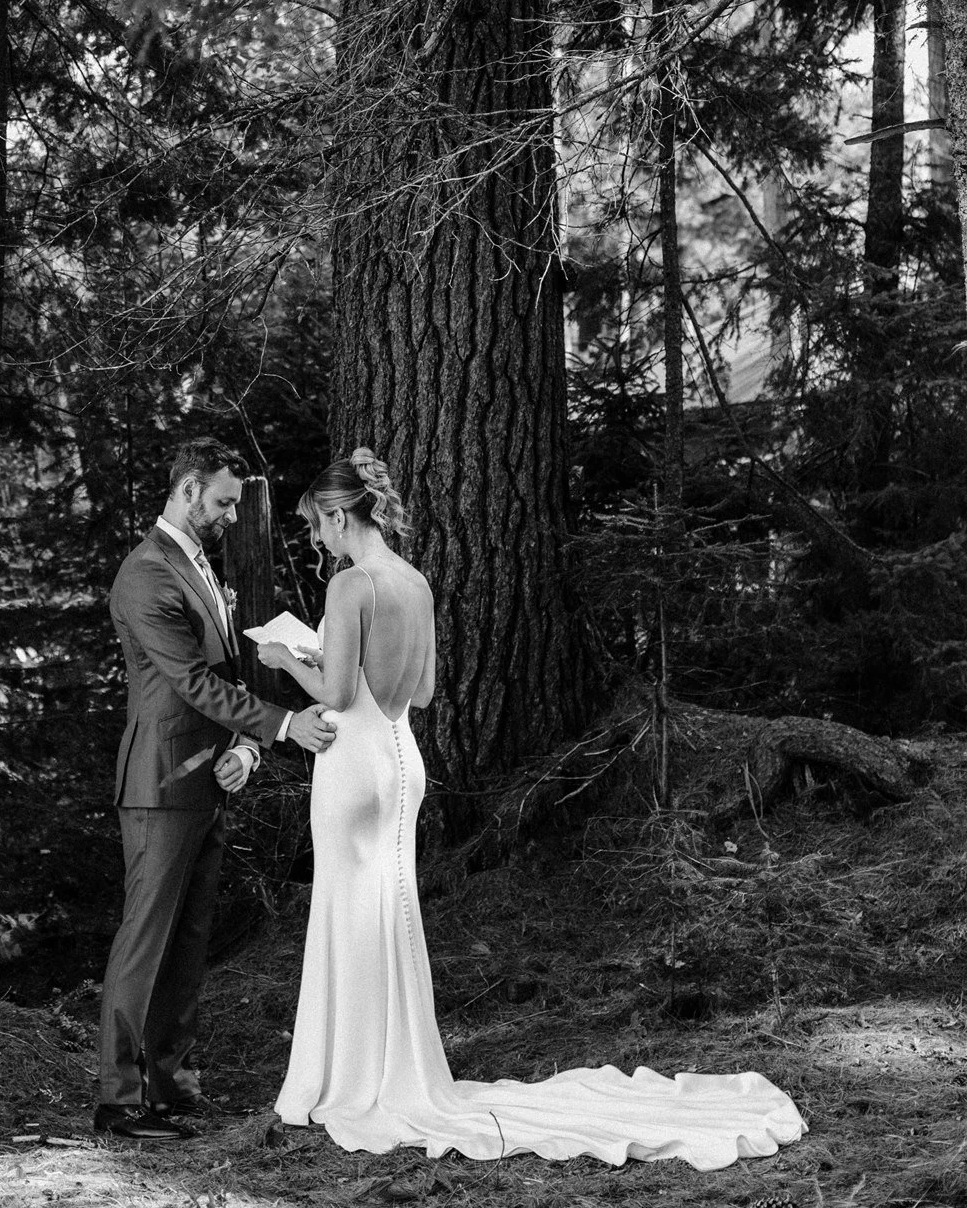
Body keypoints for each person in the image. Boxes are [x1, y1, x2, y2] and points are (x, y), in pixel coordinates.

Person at [259, 447, 807, 1170]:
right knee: (387, 909)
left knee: (346, 908)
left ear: (337, 514)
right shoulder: (414, 583)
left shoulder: (351, 585)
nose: (315, 540)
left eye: (315, 527)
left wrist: (282, 657)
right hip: (400, 755)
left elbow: (331, 695)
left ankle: (344, 1078)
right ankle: (388, 1068)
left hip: (353, 762)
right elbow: (420, 693)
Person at [94, 438, 338, 1141]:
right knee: (146, 941)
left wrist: (248, 746)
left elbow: (226, 679)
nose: (232, 515)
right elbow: (191, 684)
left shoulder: (200, 567)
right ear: (189, 488)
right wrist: (287, 724)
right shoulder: (145, 574)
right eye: (225, 501)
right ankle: (119, 1100)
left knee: (189, 941)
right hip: (159, 782)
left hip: (210, 777)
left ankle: (169, 1087)